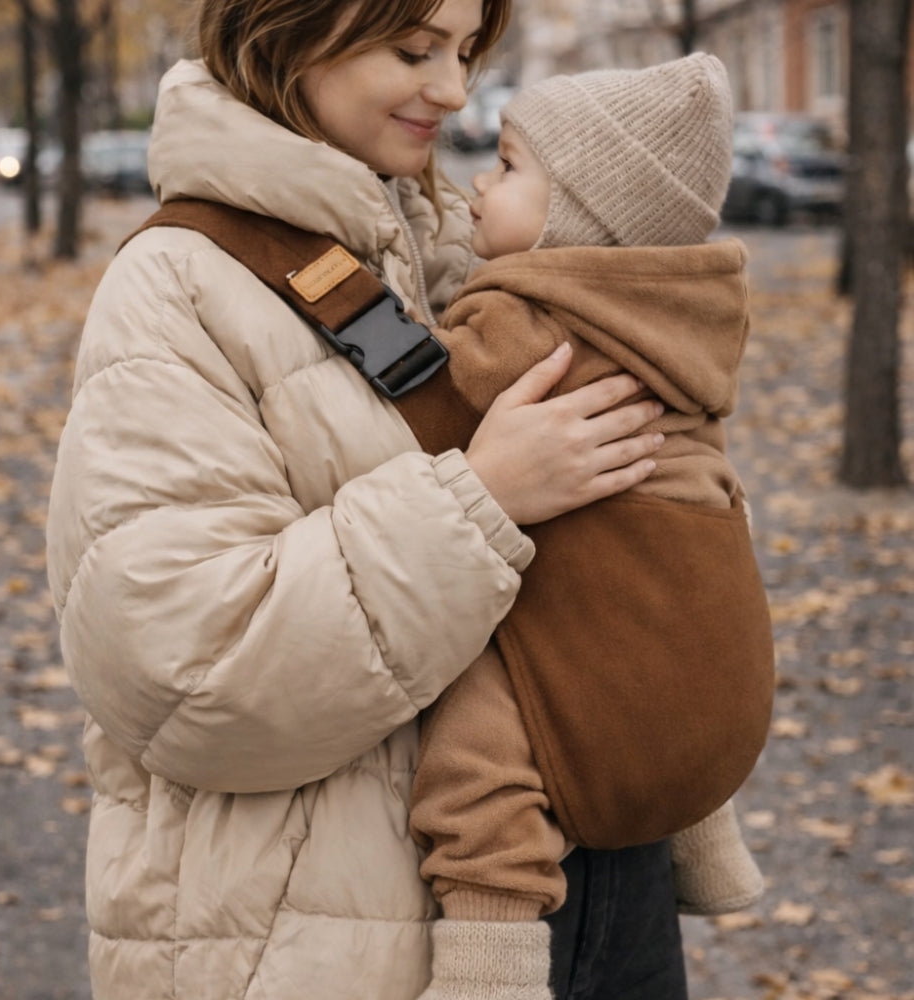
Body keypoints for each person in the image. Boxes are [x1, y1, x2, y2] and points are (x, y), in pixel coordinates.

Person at [44, 1, 676, 999]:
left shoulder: (450, 251)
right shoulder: (174, 287)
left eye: (466, 52)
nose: (455, 90)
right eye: (413, 49)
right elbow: (186, 672)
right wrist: (483, 498)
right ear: (289, 30)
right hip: (323, 942)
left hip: (582, 893)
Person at [405, 56, 773, 1000]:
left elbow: (427, 410)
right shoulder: (677, 311)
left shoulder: (533, 318)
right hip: (691, 580)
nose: (482, 179)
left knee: (483, 753)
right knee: (666, 688)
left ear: (582, 221)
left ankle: (489, 963)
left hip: (592, 578)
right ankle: (706, 845)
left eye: (511, 165)